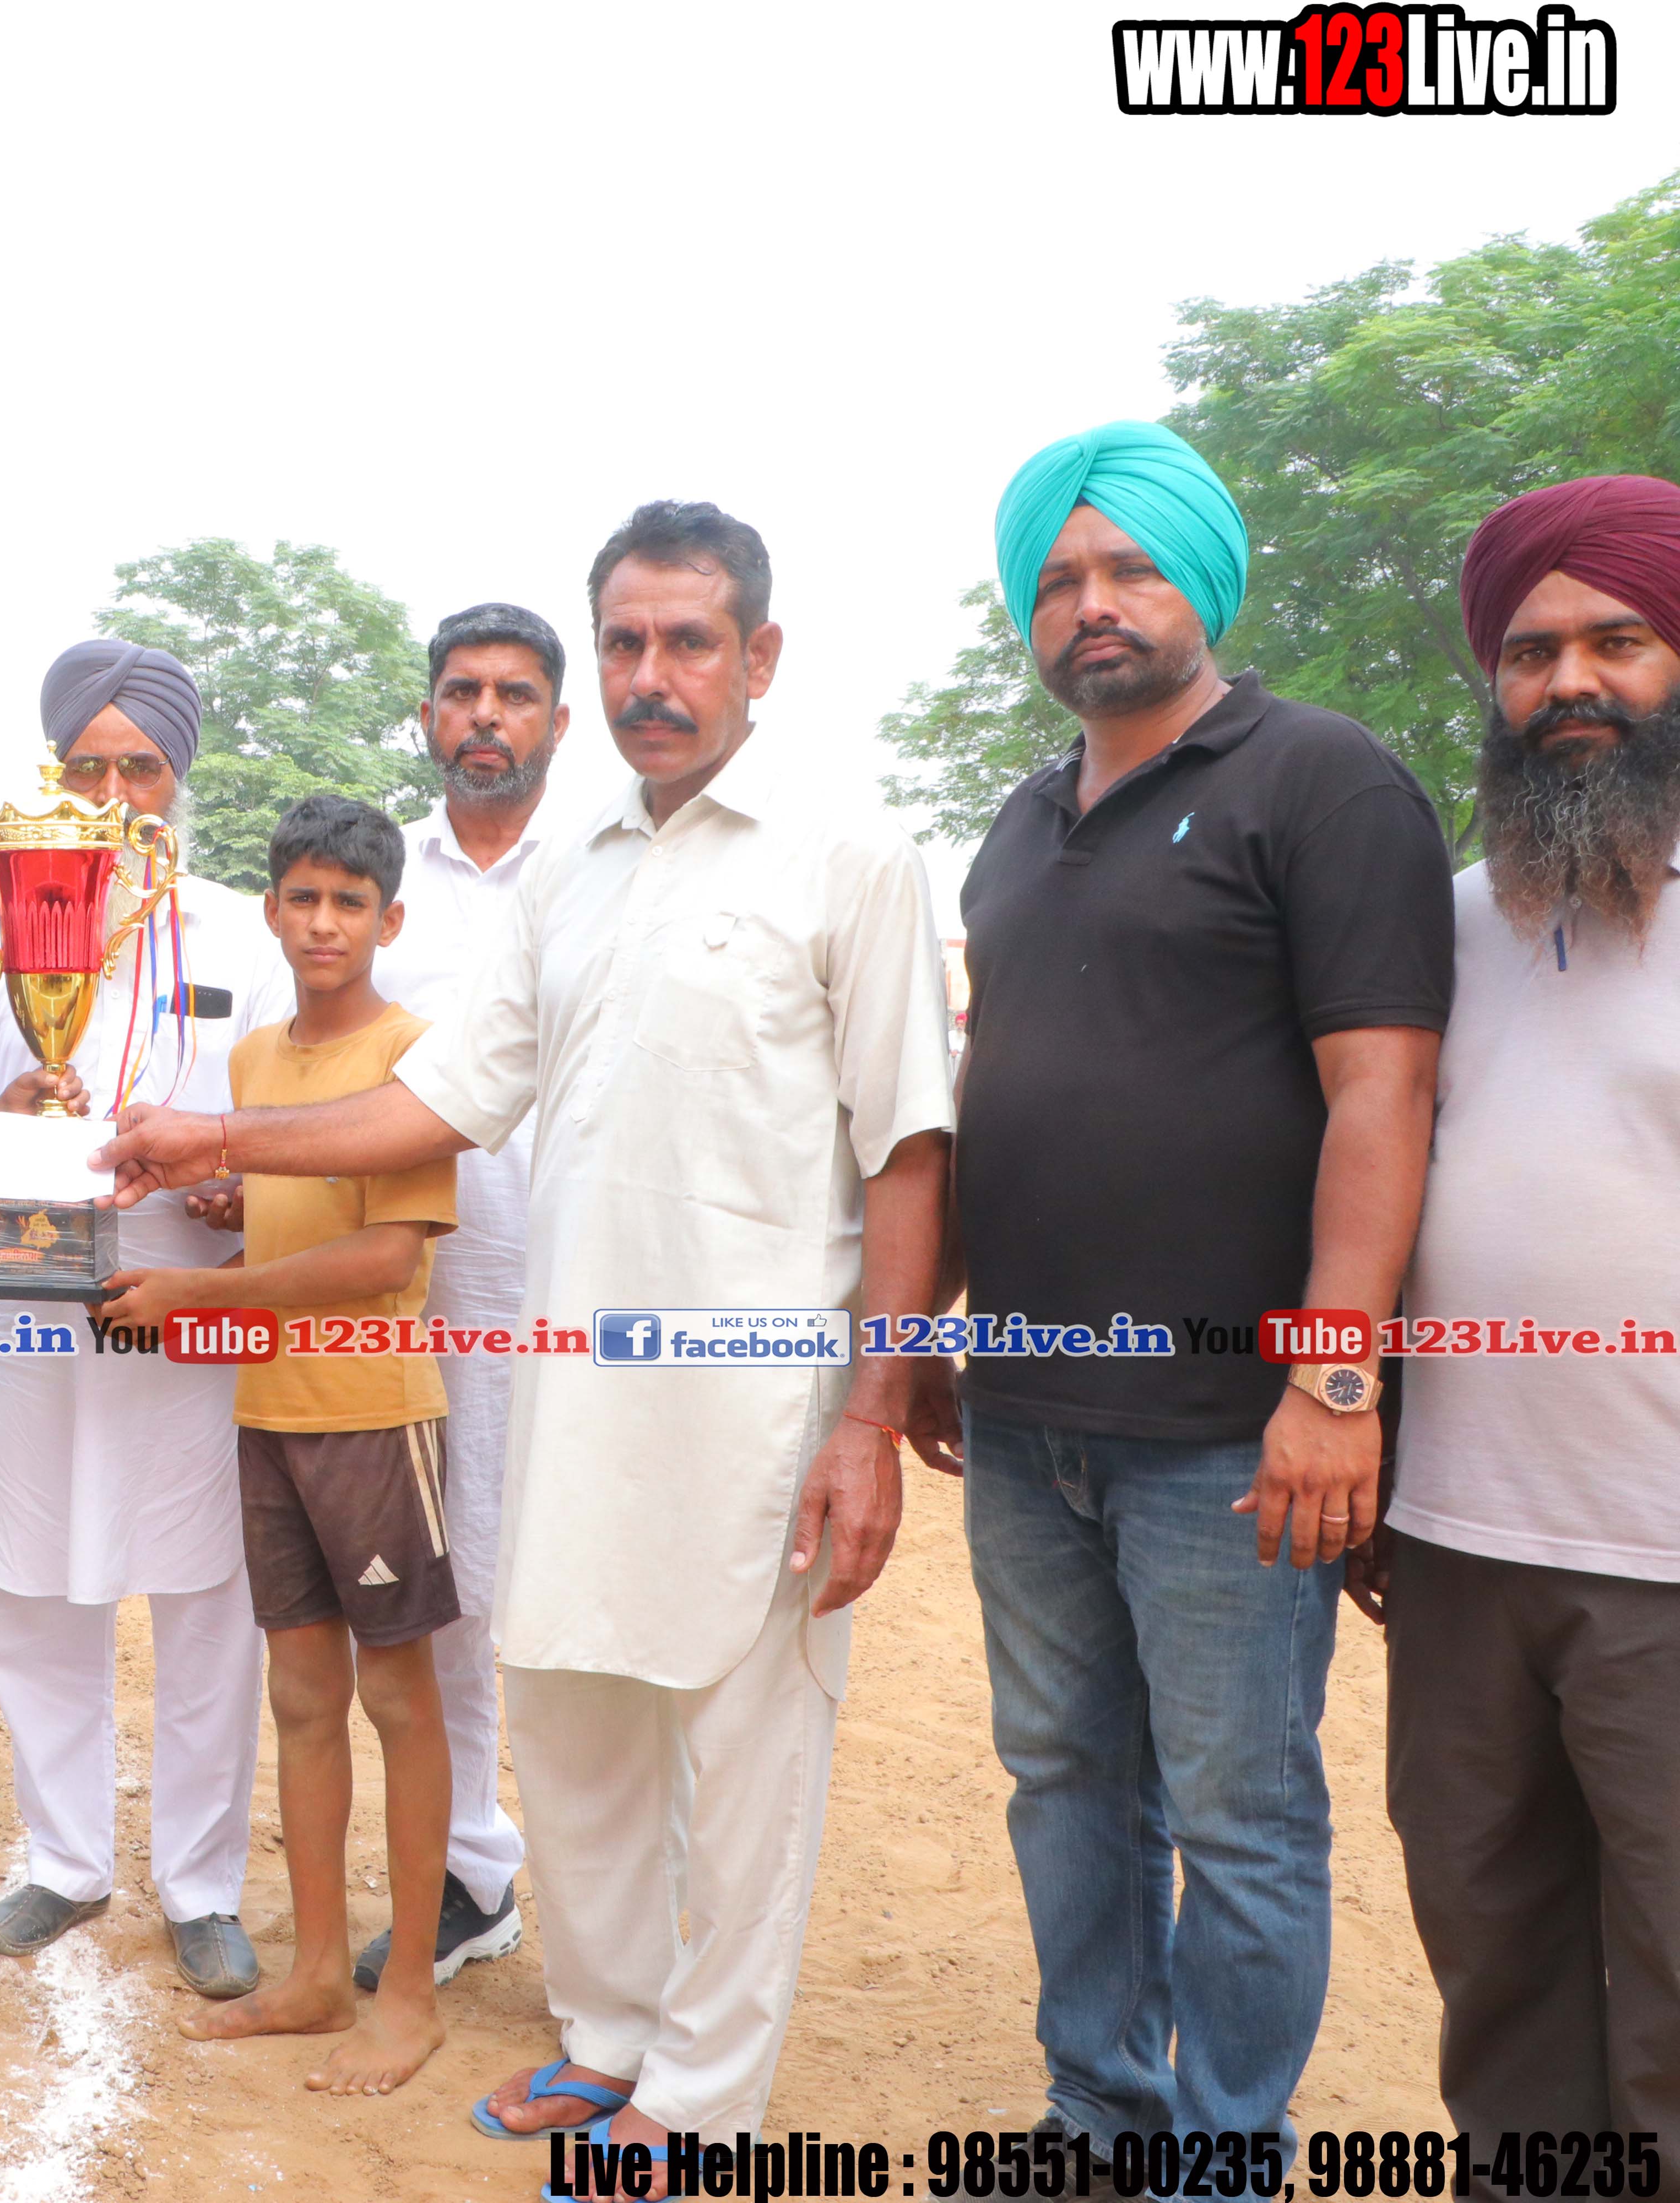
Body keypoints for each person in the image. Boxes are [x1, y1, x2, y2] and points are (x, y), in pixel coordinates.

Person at [100, 501, 956, 2141]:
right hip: (573, 1375)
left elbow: (909, 1151)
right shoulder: (571, 871)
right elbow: (440, 1097)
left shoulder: (852, 857)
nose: (650, 675)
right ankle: (611, 2033)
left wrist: (871, 1415)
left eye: (688, 641)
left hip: (760, 1392)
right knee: (568, 1707)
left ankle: (699, 2104)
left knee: (742, 1741)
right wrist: (221, 1136)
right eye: (624, 641)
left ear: (761, 657)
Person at [951, 422, 1451, 2137]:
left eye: (1131, 567)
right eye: (1058, 579)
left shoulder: (1323, 780)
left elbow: (1383, 1093)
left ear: (1207, 582)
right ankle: (1100, 2111)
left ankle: (1227, 2151)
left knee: (1242, 1816)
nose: (1093, 603)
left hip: (1231, 1429)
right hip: (1027, 1417)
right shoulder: (1017, 825)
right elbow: (996, 1085)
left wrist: (1336, 1383)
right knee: (1063, 1778)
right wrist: (940, 1339)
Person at [1369, 473, 1680, 2134]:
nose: (1570, 683)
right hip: (1459, 1547)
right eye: (1531, 651)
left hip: (1666, 1561)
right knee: (1493, 1962)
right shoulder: (1443, 928)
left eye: (1619, 642)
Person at [99, 795, 460, 2093]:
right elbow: (295, 1220)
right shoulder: (252, 1061)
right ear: (271, 910)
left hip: (374, 1415)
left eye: (350, 901)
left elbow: (384, 1256)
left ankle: (406, 1989)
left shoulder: (415, 1053)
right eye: (303, 897)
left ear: (389, 919)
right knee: (301, 1697)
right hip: (268, 1413)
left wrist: (205, 1294)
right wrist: (225, 1215)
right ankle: (314, 1972)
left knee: (397, 1697)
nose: (324, 922)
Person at [0, 638, 269, 2002]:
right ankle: (65, 1860)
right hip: (29, 1313)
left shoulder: (245, 931)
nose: (117, 793)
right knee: (33, 1589)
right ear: (53, 773)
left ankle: (203, 1886)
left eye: (141, 766)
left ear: (180, 774)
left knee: (209, 1598)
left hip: (192, 1307)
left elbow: (286, 1111)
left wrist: (240, 1178)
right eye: (88, 767)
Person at [346, 603, 563, 1996]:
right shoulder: (384, 880)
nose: (487, 714)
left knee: (577, 1589)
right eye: (463, 691)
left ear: (558, 719)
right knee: (451, 1592)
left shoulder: (608, 864)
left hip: (583, 1295)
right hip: (414, 1291)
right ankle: (472, 1870)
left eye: (516, 692)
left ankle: (617, 1903)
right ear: (428, 714)